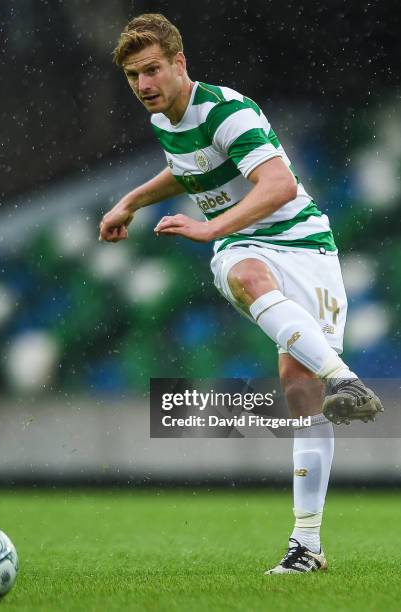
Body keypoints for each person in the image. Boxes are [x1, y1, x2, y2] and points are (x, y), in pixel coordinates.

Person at [99, 13, 382, 574]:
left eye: (152, 69)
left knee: (300, 392)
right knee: (243, 274)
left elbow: (277, 185)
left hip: (307, 246)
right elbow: (188, 168)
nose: (144, 84)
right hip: (247, 246)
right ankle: (344, 380)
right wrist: (131, 201)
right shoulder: (167, 119)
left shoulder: (227, 109)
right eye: (133, 75)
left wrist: (208, 226)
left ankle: (308, 544)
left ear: (180, 63)